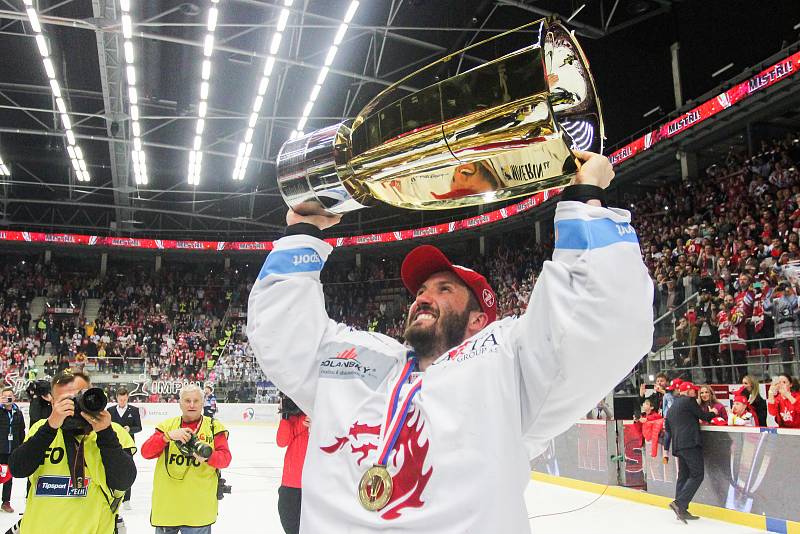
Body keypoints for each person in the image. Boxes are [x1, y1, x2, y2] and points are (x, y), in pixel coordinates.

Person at [248, 151, 654, 532]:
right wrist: (302, 232)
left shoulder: (506, 365)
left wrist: (586, 198)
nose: (423, 296)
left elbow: (599, 319)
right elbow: (284, 332)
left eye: (444, 289)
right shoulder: (363, 359)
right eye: (421, 289)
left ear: (479, 318)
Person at [8, 370, 137, 534]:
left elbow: (123, 482)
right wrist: (50, 428)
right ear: (53, 401)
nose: (75, 403)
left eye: (81, 395)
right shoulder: (41, 429)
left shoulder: (114, 433)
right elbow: (18, 469)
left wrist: (105, 433)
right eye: (67, 398)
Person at [141, 384, 232, 533]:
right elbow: (146, 452)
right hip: (168, 507)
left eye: (196, 401)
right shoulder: (168, 426)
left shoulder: (214, 427)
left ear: (202, 403)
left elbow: (225, 459)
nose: (191, 405)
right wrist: (167, 437)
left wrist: (208, 456)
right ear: (180, 403)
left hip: (198, 510)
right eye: (187, 400)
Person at [664, 381, 716, 523]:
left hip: (678, 445)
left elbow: (667, 428)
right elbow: (704, 416)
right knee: (697, 474)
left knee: (684, 475)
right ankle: (679, 503)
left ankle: (681, 509)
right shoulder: (689, 401)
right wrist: (714, 412)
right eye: (694, 391)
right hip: (690, 444)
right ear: (689, 392)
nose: (696, 393)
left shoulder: (672, 407)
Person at [276, 393, 310, 534]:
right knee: (290, 525)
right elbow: (282, 441)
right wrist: (285, 417)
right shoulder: (292, 415)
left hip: (314, 484)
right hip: (291, 483)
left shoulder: (321, 413)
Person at [109, 386, 142, 509]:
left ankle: (126, 500)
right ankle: (112, 496)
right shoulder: (110, 410)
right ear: (117, 398)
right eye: (120, 399)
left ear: (127, 397)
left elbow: (139, 427)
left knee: (127, 471)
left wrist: (130, 429)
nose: (122, 401)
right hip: (113, 445)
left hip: (128, 445)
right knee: (112, 470)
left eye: (124, 399)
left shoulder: (133, 410)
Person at [0, 387, 25, 513]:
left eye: (9, 396)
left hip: (12, 450)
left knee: (8, 477)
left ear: (14, 398)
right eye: (4, 396)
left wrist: (20, 447)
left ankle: (6, 502)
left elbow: (21, 431)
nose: (7, 398)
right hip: (0, 449)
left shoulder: (18, 413)